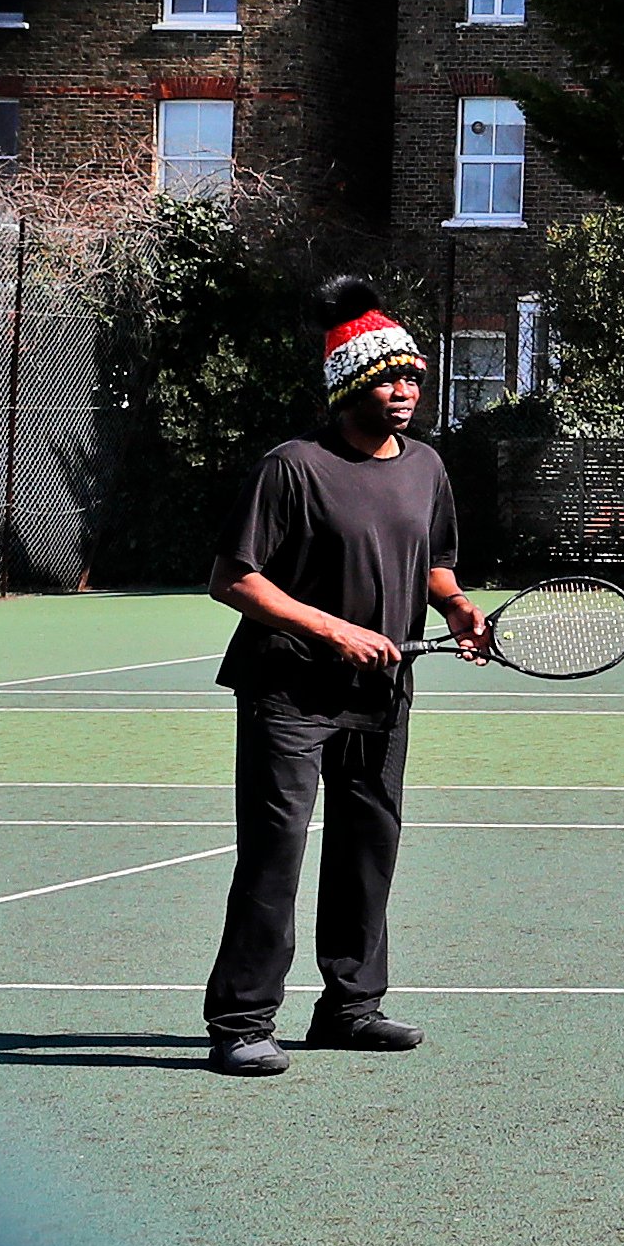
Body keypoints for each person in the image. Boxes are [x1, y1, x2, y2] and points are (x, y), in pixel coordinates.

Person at [202, 280, 488, 1077]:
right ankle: (240, 1022)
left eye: (414, 379)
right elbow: (233, 580)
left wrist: (459, 607)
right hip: (287, 690)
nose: (405, 392)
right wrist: (331, 628)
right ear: (351, 388)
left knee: (369, 848)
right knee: (274, 853)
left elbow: (434, 562)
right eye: (389, 379)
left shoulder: (428, 467)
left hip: (382, 695)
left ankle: (350, 1008)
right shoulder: (291, 467)